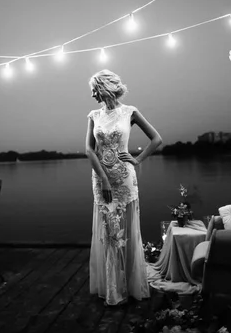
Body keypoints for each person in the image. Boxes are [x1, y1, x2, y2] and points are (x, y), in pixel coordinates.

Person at [85, 69, 162, 306]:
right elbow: (89, 149)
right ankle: (112, 289)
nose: (92, 95)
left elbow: (157, 139)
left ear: (104, 87)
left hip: (125, 179)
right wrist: (104, 180)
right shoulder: (93, 115)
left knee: (127, 231)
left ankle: (129, 284)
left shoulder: (130, 112)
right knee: (110, 234)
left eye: (94, 89)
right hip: (102, 179)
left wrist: (137, 160)